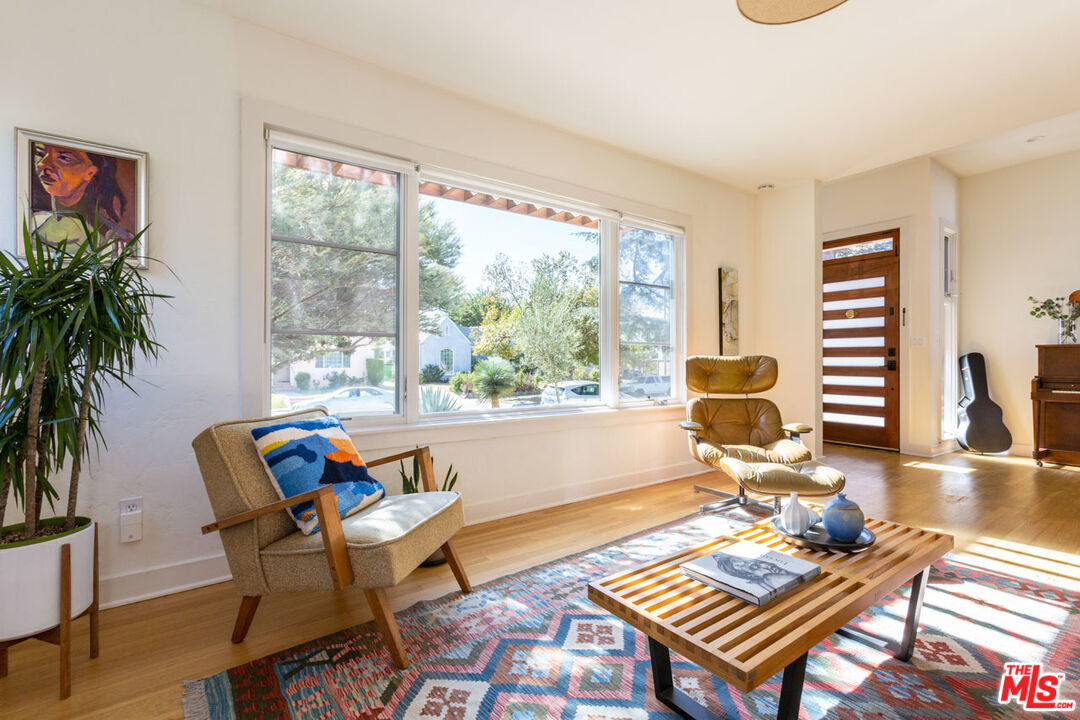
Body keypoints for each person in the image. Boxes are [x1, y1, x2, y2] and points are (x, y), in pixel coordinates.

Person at [29, 142, 134, 248]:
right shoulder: (32, 223)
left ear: (90, 172)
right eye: (40, 154)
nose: (42, 164)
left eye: (64, 158)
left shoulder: (116, 241)